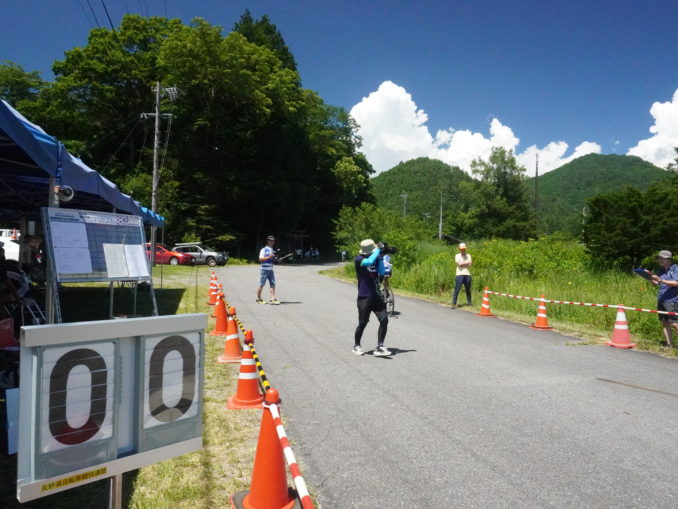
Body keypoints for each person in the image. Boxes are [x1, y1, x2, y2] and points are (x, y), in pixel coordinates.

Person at [353, 239, 391, 356]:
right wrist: (378, 251)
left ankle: (380, 346)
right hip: (364, 297)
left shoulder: (375, 259)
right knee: (363, 323)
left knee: (384, 319)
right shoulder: (359, 259)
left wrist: (379, 257)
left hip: (376, 296)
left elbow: (382, 271)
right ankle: (356, 345)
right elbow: (368, 262)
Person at [651, 250, 678, 347]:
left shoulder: (675, 269)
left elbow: (676, 283)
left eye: (662, 258)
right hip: (661, 300)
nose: (660, 260)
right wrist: (651, 278)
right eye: (659, 258)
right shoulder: (661, 271)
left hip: (672, 301)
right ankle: (670, 345)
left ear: (669, 259)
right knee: (665, 323)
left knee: (675, 324)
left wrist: (660, 280)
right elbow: (656, 284)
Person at [256, 235, 280, 305]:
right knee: (261, 284)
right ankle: (258, 298)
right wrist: (269, 256)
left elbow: (271, 260)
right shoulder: (263, 249)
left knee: (273, 284)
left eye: (273, 241)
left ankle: (272, 299)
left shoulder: (271, 249)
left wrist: (277, 260)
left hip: (270, 270)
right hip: (264, 270)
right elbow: (260, 259)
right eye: (271, 241)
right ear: (268, 241)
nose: (273, 242)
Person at [452, 242, 472, 308]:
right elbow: (459, 264)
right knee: (457, 289)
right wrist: (466, 263)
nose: (463, 250)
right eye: (462, 249)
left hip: (467, 274)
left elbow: (470, 264)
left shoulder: (468, 255)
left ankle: (469, 303)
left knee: (468, 289)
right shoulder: (457, 255)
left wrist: (463, 263)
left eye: (464, 249)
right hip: (459, 274)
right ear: (459, 249)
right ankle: (454, 303)